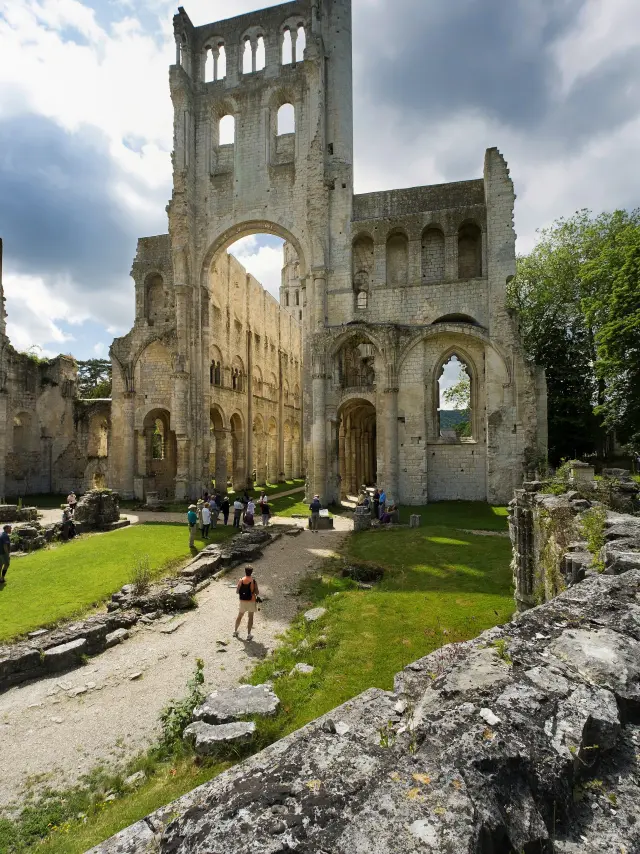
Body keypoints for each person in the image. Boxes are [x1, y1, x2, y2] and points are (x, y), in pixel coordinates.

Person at [233, 565, 259, 640]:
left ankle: (235, 631)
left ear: (245, 571)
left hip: (243, 601)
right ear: (251, 572)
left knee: (240, 616)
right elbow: (257, 592)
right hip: (251, 601)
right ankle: (249, 634)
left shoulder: (241, 580)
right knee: (250, 617)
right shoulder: (253, 581)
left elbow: (237, 591)